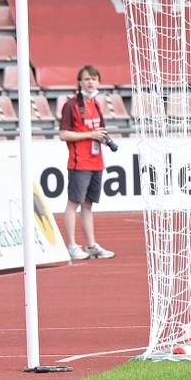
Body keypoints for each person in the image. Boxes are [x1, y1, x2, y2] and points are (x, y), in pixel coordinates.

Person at [59, 66, 116, 260]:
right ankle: (71, 245)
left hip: (95, 161)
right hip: (79, 162)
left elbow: (99, 130)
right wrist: (90, 134)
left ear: (98, 81)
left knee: (88, 205)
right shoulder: (71, 105)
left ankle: (91, 245)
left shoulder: (96, 104)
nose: (90, 82)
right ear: (80, 82)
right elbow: (63, 135)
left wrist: (102, 138)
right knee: (73, 203)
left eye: (93, 78)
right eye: (86, 79)